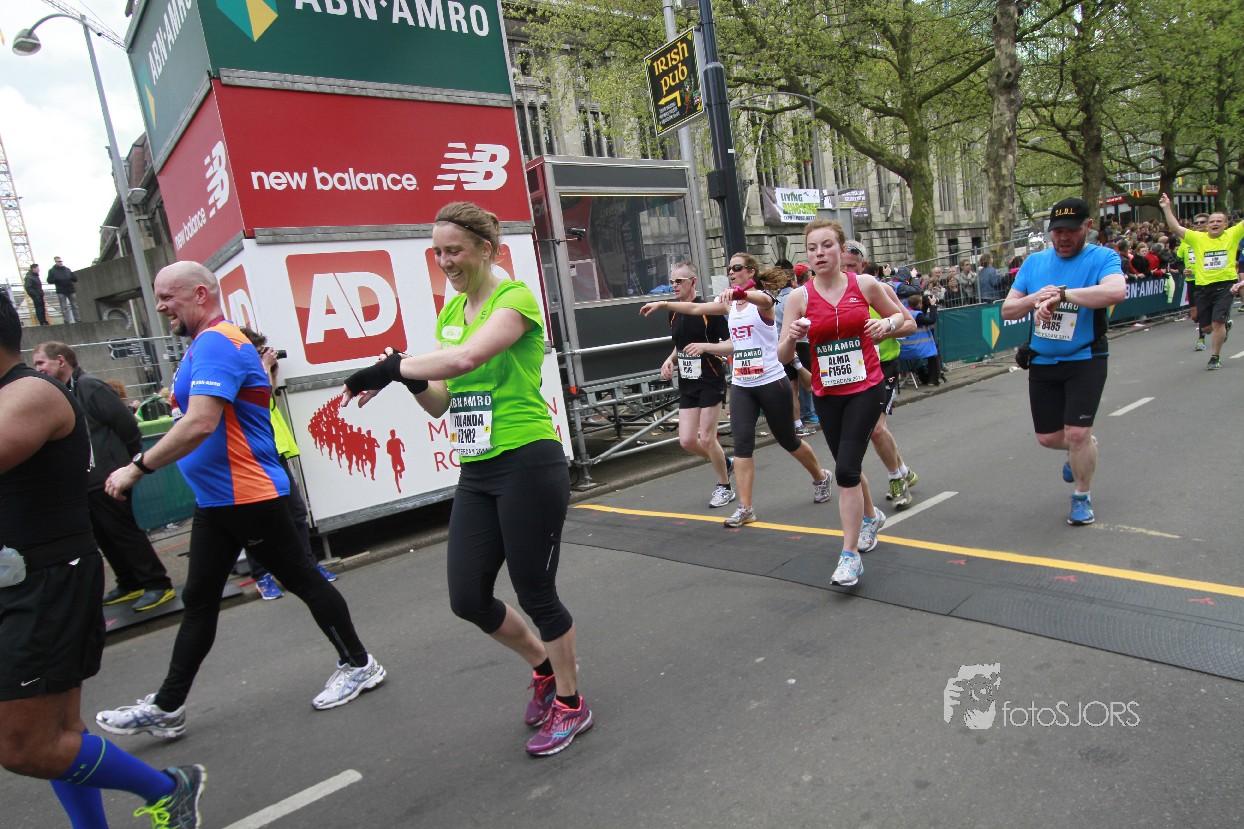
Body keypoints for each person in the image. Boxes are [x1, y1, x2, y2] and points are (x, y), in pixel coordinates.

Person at [341, 201, 589, 756]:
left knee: (536, 592)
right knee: (468, 596)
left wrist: (390, 367)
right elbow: (441, 401)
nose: (445, 261)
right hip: (478, 469)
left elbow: (465, 360)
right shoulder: (451, 310)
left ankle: (572, 704)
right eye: (437, 253)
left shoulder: (514, 299)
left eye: (454, 250)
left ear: (486, 249)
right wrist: (407, 377)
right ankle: (543, 668)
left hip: (527, 459)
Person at [96, 262, 384, 740]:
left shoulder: (217, 342)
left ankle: (360, 664)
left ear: (200, 294)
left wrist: (137, 467)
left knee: (303, 579)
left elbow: (200, 423)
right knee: (199, 599)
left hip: (248, 495)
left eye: (167, 296)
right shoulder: (202, 346)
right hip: (217, 499)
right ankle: (168, 706)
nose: (160, 306)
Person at [0, 292, 206, 829]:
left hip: (42, 582)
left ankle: (169, 789)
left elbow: (132, 427)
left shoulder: (31, 392)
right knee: (59, 733)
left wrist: (128, 465)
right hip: (27, 580)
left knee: (24, 746)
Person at [642, 252, 834, 529]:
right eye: (729, 269)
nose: (731, 272)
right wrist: (663, 303)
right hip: (743, 385)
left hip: (771, 380)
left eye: (737, 268)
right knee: (743, 447)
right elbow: (694, 309)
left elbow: (762, 300)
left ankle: (820, 476)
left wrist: (739, 293)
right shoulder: (729, 305)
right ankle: (745, 507)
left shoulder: (763, 300)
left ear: (751, 272)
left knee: (788, 440)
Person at [779, 220, 910, 587]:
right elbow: (782, 356)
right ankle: (870, 517)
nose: (819, 253)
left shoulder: (865, 285)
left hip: (866, 387)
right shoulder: (798, 298)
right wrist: (792, 338)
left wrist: (886, 326)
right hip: (827, 393)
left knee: (847, 471)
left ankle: (849, 556)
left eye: (827, 246)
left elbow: (903, 319)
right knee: (845, 465)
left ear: (840, 249)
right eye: (812, 248)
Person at [1001, 197, 1126, 526]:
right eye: (1057, 231)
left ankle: (1082, 497)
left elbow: (1116, 292)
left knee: (1077, 432)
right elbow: (1008, 310)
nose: (1063, 237)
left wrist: (1064, 294)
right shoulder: (1034, 263)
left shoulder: (1102, 257)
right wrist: (1037, 297)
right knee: (1048, 437)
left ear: (1088, 227)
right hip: (1043, 360)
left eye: (1071, 230)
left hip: (1086, 357)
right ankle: (1082, 446)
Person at [31, 342, 175, 613]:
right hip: (87, 479)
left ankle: (157, 582)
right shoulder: (66, 391)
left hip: (108, 474)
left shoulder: (89, 386)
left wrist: (126, 464)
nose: (37, 369)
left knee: (122, 531)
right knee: (104, 535)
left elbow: (128, 426)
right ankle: (129, 582)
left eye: (41, 363)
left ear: (60, 360)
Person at [236, 327, 337, 600]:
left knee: (296, 512)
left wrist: (271, 372)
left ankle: (308, 566)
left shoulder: (260, 374)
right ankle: (263, 576)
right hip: (251, 457)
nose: (264, 356)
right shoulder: (239, 374)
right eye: (258, 353)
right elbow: (257, 399)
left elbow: (271, 402)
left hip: (275, 452)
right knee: (257, 521)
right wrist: (263, 367)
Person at [641, 262, 734, 507]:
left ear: (693, 282)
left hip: (710, 378)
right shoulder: (674, 312)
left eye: (679, 281)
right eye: (672, 281)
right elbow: (680, 344)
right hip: (688, 380)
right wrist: (669, 360)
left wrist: (706, 347)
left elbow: (731, 344)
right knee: (687, 441)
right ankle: (724, 462)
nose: (674, 286)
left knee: (707, 438)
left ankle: (724, 486)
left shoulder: (708, 310)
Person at [842, 241, 920, 509]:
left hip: (883, 366)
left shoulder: (880, 289)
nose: (846, 271)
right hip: (854, 369)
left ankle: (896, 479)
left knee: (876, 428)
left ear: (863, 266)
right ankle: (904, 471)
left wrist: (885, 330)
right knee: (873, 430)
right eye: (842, 266)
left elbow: (910, 324)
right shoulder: (832, 295)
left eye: (852, 266)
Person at [1160, 194, 1242, 370]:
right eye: (1212, 221)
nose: (1215, 224)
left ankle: (1215, 357)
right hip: (1203, 288)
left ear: (1226, 224)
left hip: (1225, 286)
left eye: (1219, 221)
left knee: (1217, 322)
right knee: (1205, 328)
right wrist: (1166, 207)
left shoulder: (1232, 235)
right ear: (1207, 225)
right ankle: (1225, 325)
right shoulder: (1197, 238)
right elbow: (1175, 227)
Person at [47, 257, 79, 324]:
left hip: (70, 289)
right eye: (58, 261)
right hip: (61, 291)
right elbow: (49, 280)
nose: (60, 262)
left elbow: (75, 279)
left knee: (75, 306)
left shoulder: (67, 269)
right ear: (55, 262)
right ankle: (67, 321)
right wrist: (56, 279)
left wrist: (73, 277)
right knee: (64, 307)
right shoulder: (52, 271)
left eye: (61, 261)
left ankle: (78, 320)